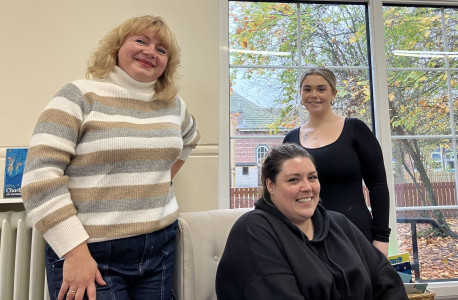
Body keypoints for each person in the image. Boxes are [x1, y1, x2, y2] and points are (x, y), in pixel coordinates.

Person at [21, 15, 200, 300]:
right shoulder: (78, 96)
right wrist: (74, 251)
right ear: (117, 47)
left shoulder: (174, 106)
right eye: (140, 40)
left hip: (159, 247)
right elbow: (39, 179)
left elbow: (190, 139)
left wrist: (163, 179)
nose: (150, 51)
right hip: (90, 250)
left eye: (161, 49)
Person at [215, 144, 407, 300]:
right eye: (293, 180)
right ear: (270, 185)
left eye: (312, 177)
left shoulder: (338, 223)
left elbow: (387, 282)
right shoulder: (253, 230)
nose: (307, 187)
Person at [283, 67, 390, 256]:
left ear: (333, 93)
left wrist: (381, 238)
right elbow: (282, 191)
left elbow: (378, 185)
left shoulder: (355, 129)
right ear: (300, 94)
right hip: (305, 235)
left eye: (321, 89)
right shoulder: (291, 139)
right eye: (307, 89)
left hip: (354, 231)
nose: (313, 95)